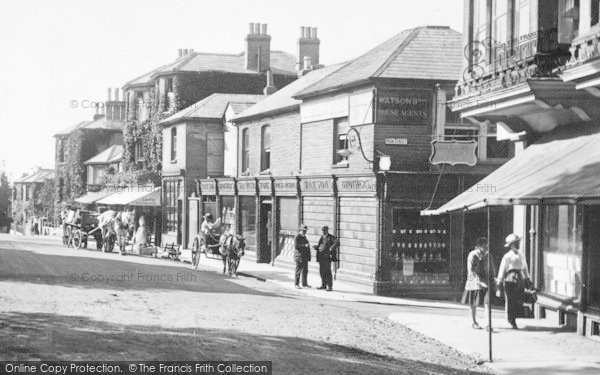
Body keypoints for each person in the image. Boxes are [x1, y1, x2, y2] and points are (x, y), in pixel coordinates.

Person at [496, 233, 530, 329]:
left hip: (519, 278)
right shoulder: (507, 256)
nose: (518, 244)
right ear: (511, 245)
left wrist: (527, 278)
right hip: (510, 278)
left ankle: (515, 317)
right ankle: (511, 319)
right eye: (516, 243)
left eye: (518, 242)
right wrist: (499, 281)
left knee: (518, 299)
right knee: (510, 300)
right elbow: (502, 269)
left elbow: (525, 268)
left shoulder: (521, 255)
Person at [461, 237, 492, 329]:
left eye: (487, 246)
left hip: (485, 283)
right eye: (484, 246)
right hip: (473, 283)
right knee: (473, 303)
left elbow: (491, 269)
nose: (486, 248)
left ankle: (488, 324)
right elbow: (471, 271)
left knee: (487, 304)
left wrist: (492, 280)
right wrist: (479, 282)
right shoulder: (473, 255)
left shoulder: (488, 256)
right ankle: (474, 322)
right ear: (478, 246)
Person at [314, 225, 339, 291]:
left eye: (325, 230)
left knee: (328, 272)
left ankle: (330, 286)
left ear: (327, 231)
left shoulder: (330, 237)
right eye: (323, 230)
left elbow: (337, 242)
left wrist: (331, 248)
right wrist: (316, 247)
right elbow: (320, 246)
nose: (323, 232)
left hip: (327, 257)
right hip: (321, 257)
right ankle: (323, 285)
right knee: (322, 272)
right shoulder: (321, 238)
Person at [294, 224, 311, 289]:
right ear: (300, 230)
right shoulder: (297, 236)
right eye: (303, 230)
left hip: (304, 257)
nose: (305, 232)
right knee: (298, 271)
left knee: (305, 271)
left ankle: (305, 284)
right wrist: (304, 245)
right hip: (299, 256)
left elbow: (307, 246)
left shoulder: (304, 237)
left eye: (305, 231)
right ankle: (296, 284)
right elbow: (296, 246)